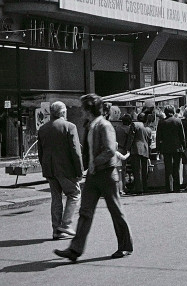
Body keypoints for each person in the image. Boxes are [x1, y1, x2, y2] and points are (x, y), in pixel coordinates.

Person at [54, 93, 133, 262]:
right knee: (85, 212)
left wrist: (94, 163)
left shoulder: (104, 126)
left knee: (115, 211)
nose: (81, 111)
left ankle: (125, 246)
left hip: (107, 174)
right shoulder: (90, 126)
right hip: (93, 175)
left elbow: (110, 150)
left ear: (89, 109)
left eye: (83, 108)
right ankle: (75, 249)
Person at [37, 101, 83, 240]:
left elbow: (40, 152)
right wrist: (79, 170)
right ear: (63, 112)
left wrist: (45, 167)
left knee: (56, 199)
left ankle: (56, 229)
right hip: (66, 169)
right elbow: (76, 151)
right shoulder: (70, 127)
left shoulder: (43, 129)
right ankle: (66, 224)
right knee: (74, 194)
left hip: (50, 170)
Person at [158, 105, 186, 193]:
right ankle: (177, 187)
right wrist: (183, 146)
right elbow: (182, 135)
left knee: (168, 168)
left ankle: (169, 187)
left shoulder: (161, 122)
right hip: (177, 147)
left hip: (166, 148)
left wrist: (159, 149)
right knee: (176, 167)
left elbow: (159, 137)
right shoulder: (178, 121)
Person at [124, 112, 152, 195]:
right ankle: (144, 187)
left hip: (136, 149)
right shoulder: (147, 128)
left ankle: (139, 189)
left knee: (137, 170)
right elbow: (149, 140)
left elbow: (131, 137)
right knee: (144, 170)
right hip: (145, 149)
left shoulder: (134, 124)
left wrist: (127, 148)